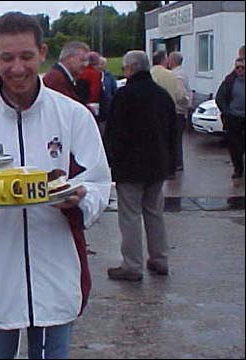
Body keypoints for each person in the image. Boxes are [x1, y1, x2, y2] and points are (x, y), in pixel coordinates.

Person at [0, 12, 111, 359]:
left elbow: (98, 182)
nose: (17, 68)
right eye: (7, 57)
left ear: (42, 53)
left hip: (56, 269)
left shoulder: (73, 116)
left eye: (26, 56)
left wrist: (78, 199)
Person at [105, 50, 177, 281]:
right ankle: (160, 259)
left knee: (130, 215)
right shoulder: (162, 96)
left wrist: (110, 162)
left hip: (130, 167)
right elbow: (173, 133)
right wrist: (172, 164)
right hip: (158, 166)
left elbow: (114, 132)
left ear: (129, 69)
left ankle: (132, 265)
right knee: (155, 213)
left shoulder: (124, 95)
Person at [150, 50, 188, 179]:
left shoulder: (148, 74)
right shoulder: (170, 76)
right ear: (163, 60)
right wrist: (186, 104)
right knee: (172, 140)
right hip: (171, 112)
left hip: (151, 114)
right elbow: (180, 95)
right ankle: (172, 167)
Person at [215, 57, 245, 179]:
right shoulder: (229, 81)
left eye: (242, 67)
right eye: (237, 67)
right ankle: (238, 169)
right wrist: (227, 112)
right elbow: (220, 98)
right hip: (233, 118)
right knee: (234, 146)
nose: (240, 70)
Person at [168, 51, 192, 172]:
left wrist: (182, 105)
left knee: (175, 139)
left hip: (177, 111)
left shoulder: (177, 75)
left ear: (173, 61)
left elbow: (181, 95)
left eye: (169, 59)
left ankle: (176, 164)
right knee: (176, 138)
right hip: (180, 111)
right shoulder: (181, 73)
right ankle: (177, 163)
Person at [76, 51, 103, 117]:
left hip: (79, 103)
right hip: (91, 105)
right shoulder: (95, 74)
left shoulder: (80, 72)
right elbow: (95, 91)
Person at [97, 56, 117, 138]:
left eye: (102, 64)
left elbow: (114, 90)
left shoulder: (109, 76)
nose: (100, 66)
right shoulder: (93, 76)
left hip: (107, 107)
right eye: (99, 64)